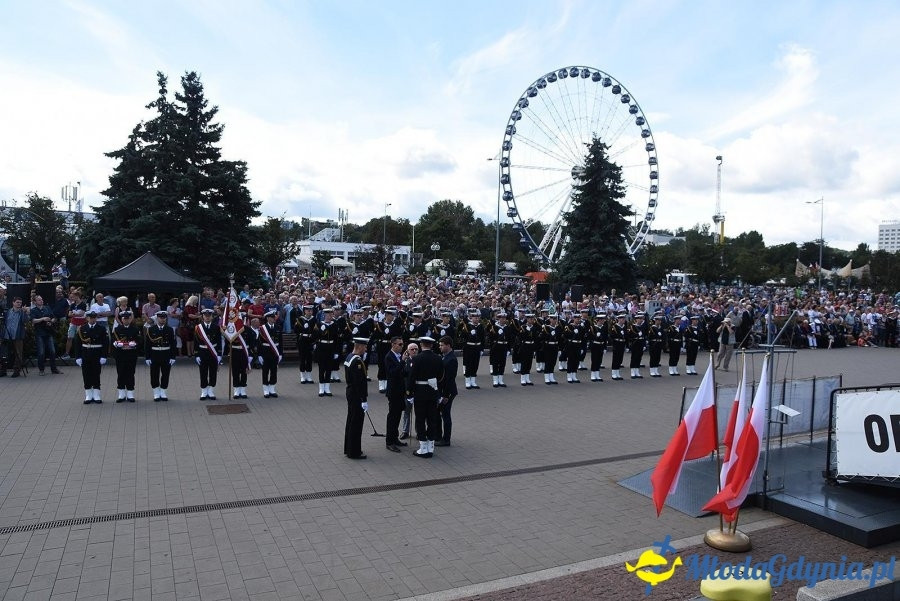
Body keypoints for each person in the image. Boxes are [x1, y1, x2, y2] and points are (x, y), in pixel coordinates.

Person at [407, 336, 444, 458]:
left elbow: (411, 377)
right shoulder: (438, 358)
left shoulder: (416, 359)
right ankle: (430, 446)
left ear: (421, 345)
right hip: (433, 392)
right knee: (432, 419)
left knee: (420, 419)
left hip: (420, 393)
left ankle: (423, 448)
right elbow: (440, 376)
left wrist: (409, 392)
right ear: (432, 345)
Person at [343, 337, 370, 460]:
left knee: (350, 420)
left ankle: (348, 448)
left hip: (350, 392)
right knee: (356, 423)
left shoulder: (350, 356)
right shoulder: (358, 361)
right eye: (364, 347)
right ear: (359, 347)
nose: (366, 349)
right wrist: (364, 399)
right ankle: (354, 451)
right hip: (356, 395)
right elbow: (360, 383)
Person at [74, 310, 109, 403]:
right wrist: (78, 357)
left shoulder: (101, 329)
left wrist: (104, 356)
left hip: (97, 353)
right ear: (87, 318)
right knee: (86, 374)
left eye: (94, 317)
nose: (93, 319)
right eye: (91, 317)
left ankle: (97, 394)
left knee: (96, 374)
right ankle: (88, 395)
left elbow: (105, 343)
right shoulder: (82, 328)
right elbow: (77, 344)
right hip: (85, 353)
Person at [145, 310, 177, 401]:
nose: (162, 319)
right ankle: (156, 392)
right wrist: (147, 357)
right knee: (154, 374)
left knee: (165, 374)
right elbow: (147, 344)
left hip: (166, 354)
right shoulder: (151, 329)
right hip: (154, 354)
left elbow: (173, 344)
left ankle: (163, 391)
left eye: (164, 318)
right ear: (157, 318)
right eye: (160, 318)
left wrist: (173, 357)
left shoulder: (169, 329)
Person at [383, 336, 408, 452]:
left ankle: (395, 438)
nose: (402, 346)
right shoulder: (389, 357)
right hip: (393, 391)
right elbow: (393, 373)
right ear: (393, 344)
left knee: (398, 415)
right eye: (400, 344)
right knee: (392, 416)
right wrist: (403, 361)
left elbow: (403, 373)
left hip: (400, 390)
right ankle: (389, 441)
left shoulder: (399, 356)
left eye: (402, 344)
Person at [435, 335, 458, 447]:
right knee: (441, 414)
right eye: (439, 345)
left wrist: (445, 395)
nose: (440, 347)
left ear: (448, 346)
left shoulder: (451, 359)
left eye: (442, 345)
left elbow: (449, 379)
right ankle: (439, 435)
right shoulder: (445, 356)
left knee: (445, 415)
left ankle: (446, 439)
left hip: (447, 392)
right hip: (443, 391)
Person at [112, 310, 140, 401]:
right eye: (124, 319)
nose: (126, 320)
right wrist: (116, 344)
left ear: (130, 319)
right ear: (121, 319)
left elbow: (140, 341)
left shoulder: (135, 329)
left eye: (128, 319)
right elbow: (113, 341)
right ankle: (121, 394)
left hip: (131, 355)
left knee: (131, 373)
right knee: (120, 373)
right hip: (121, 355)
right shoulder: (117, 329)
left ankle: (130, 393)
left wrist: (135, 344)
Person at [30, 295, 62, 375]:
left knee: (52, 351)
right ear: (35, 302)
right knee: (41, 352)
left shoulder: (47, 308)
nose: (41, 301)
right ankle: (41, 370)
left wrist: (51, 321)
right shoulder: (33, 310)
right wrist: (42, 319)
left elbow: (54, 318)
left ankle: (54, 369)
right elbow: (33, 321)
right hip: (39, 333)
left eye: (41, 299)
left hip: (48, 332)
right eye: (39, 300)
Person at [195, 308, 223, 400]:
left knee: (213, 372)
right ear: (202, 317)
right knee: (203, 372)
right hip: (202, 352)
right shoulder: (198, 328)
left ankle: (211, 391)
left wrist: (219, 354)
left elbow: (219, 341)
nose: (207, 318)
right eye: (205, 316)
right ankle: (203, 391)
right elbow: (196, 342)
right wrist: (197, 355)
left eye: (209, 316)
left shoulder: (216, 327)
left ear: (212, 317)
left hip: (213, 353)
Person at [2, 297, 29, 377]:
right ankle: (3, 370)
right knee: (4, 353)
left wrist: (24, 312)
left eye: (20, 303)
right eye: (17, 302)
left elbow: (25, 321)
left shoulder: (22, 312)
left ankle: (16, 370)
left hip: (17, 336)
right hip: (7, 335)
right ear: (13, 303)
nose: (19, 304)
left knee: (18, 353)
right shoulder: (8, 311)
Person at [258, 309, 282, 398]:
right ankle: (265, 390)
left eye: (274, 317)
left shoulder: (278, 327)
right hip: (266, 352)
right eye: (272, 317)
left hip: (275, 352)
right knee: (265, 371)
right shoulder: (262, 329)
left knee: (274, 371)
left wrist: (281, 353)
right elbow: (259, 343)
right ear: (267, 318)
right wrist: (260, 355)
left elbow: (280, 342)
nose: (273, 318)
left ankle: (272, 389)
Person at [230, 323, 255, 400]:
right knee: (235, 371)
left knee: (244, 371)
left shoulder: (247, 329)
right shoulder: (231, 328)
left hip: (245, 352)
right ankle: (236, 390)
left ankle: (243, 390)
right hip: (235, 352)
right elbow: (228, 340)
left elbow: (252, 342)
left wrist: (251, 354)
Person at [399, 342, 418, 440]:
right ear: (407, 351)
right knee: (406, 412)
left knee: (419, 413)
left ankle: (419, 431)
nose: (414, 351)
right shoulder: (404, 361)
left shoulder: (420, 361)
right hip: (407, 391)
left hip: (418, 390)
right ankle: (405, 431)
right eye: (412, 349)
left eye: (416, 349)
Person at [62, 290, 87, 359]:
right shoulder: (72, 305)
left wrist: (74, 314)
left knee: (80, 338)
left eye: (74, 296)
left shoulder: (83, 304)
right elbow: (69, 314)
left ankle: (81, 354)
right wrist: (75, 314)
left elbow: (81, 314)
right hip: (73, 323)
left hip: (81, 323)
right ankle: (67, 353)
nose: (72, 298)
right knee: (69, 337)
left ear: (77, 296)